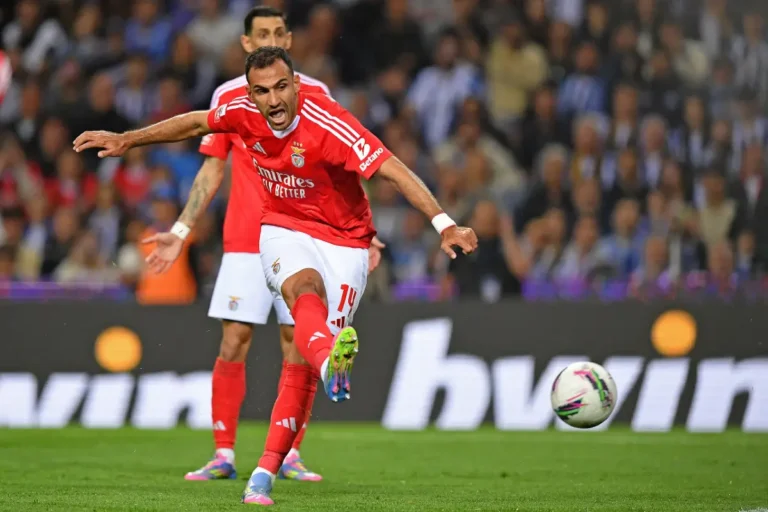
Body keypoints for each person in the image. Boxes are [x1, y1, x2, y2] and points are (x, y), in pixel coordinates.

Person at [73, 46, 478, 506]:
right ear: (251, 93)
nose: (273, 99)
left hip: (346, 240)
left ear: (297, 85)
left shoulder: (328, 121)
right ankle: (329, 363)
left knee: (299, 360)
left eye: (281, 87)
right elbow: (193, 122)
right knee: (301, 292)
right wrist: (128, 139)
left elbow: (392, 170)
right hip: (283, 228)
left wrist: (444, 223)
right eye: (262, 91)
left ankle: (267, 468)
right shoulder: (243, 113)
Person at [180, 6, 360, 484]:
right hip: (244, 235)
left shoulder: (315, 94)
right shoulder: (231, 97)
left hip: (302, 234)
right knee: (234, 338)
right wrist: (182, 229)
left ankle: (290, 453)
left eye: (278, 32)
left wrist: (366, 234)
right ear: (244, 44)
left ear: (290, 39)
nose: (269, 38)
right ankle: (223, 453)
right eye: (261, 33)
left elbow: (346, 169)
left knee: (296, 342)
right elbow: (213, 165)